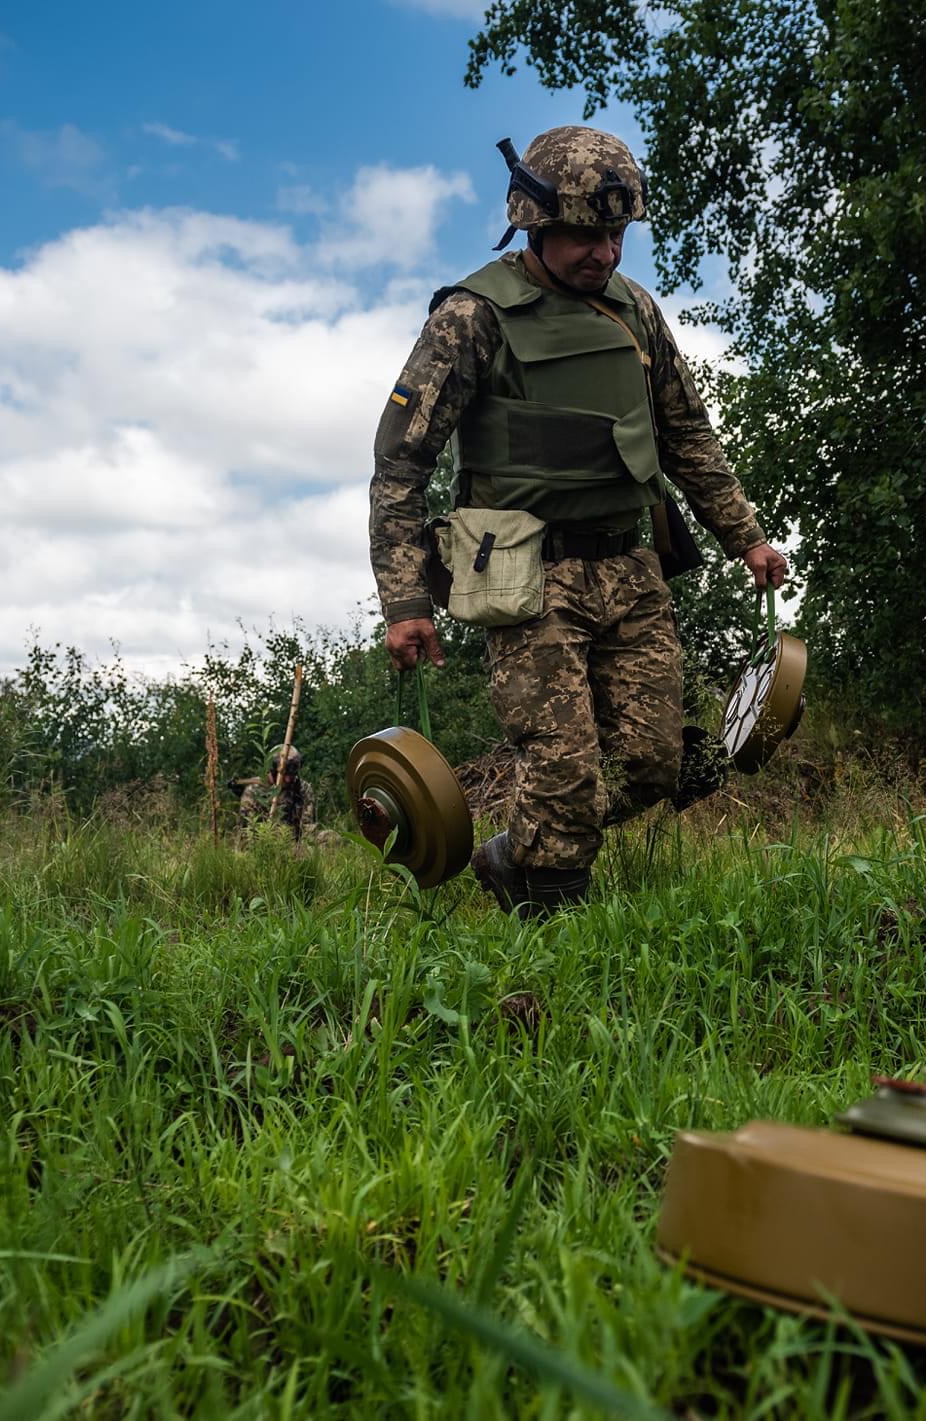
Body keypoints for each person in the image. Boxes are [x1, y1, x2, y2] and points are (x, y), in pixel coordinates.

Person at [368, 126, 789, 917]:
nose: (606, 252)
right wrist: (405, 601)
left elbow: (686, 434)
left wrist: (747, 536)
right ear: (534, 222)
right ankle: (557, 933)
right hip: (525, 573)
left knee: (655, 763)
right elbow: (401, 464)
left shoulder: (635, 311)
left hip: (631, 566)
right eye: (586, 235)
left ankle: (511, 854)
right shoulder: (471, 318)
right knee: (562, 766)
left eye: (617, 233)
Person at [240, 747, 317, 842]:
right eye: (284, 774)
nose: (288, 780)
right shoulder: (254, 791)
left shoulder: (302, 789)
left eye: (292, 775)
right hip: (262, 843)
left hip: (293, 843)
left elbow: (307, 826)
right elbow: (246, 832)